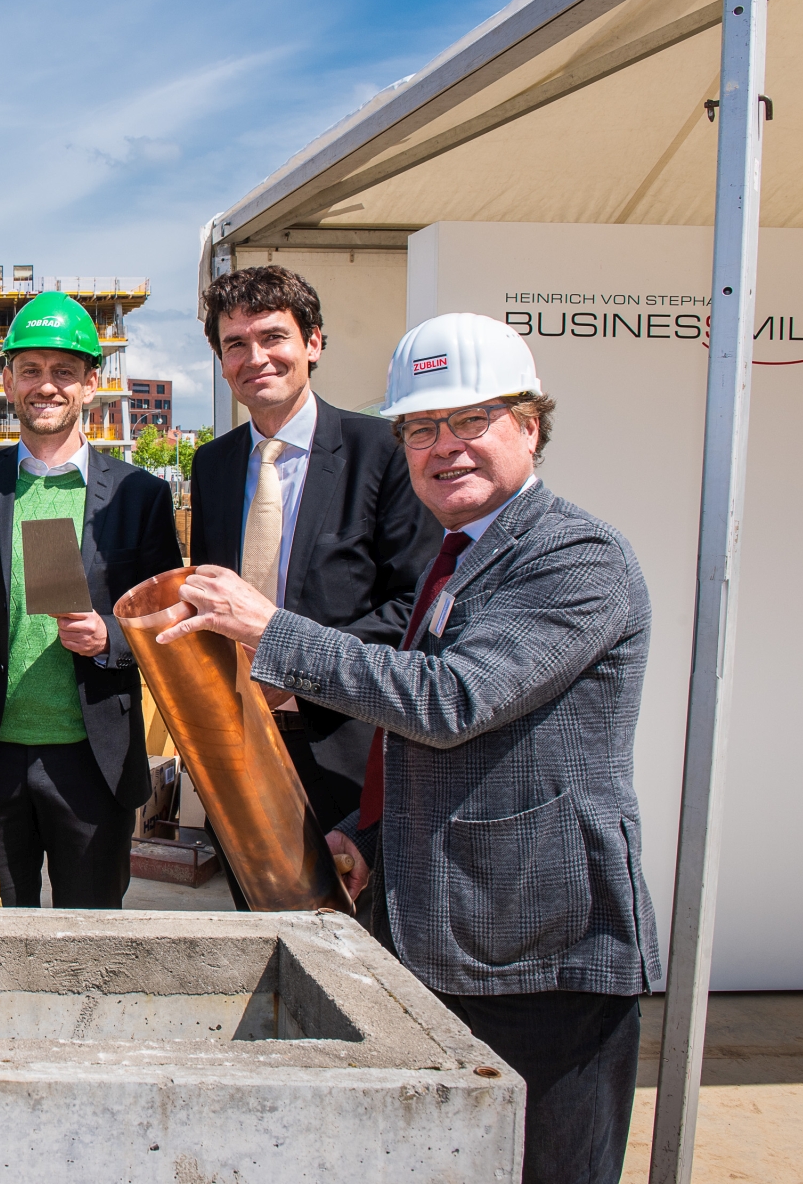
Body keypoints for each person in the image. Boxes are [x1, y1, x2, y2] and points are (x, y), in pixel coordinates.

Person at [156, 313, 659, 1184]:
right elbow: (463, 754)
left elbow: (449, 702)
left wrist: (273, 631)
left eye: (471, 421)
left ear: (529, 426)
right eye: (422, 428)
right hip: (457, 936)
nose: (443, 447)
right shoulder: (461, 559)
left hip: (545, 958)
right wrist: (375, 844)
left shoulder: (572, 558)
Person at [189, 265, 440, 906]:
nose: (255, 357)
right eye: (235, 344)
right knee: (258, 920)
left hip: (347, 748)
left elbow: (416, 606)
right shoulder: (214, 465)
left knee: (353, 932)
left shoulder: (382, 453)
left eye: (273, 337)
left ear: (314, 344)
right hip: (241, 746)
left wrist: (293, 669)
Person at [0, 292, 183, 909]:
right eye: (31, 370)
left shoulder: (139, 495)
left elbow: (174, 621)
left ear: (90, 384)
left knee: (93, 946)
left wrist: (113, 638)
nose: (46, 386)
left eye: (64, 372)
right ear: (7, 380)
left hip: (91, 763)